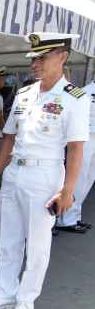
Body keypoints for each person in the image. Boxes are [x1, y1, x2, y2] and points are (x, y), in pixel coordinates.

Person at [0, 33, 90, 309]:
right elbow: (9, 138)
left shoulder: (75, 98)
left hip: (45, 173)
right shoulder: (25, 94)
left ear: (62, 57)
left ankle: (26, 299)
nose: (35, 64)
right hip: (14, 172)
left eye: (42, 57)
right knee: (9, 239)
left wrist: (68, 190)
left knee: (38, 243)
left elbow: (76, 148)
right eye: (33, 58)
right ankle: (4, 293)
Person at [56, 74, 95, 233]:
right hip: (85, 138)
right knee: (79, 177)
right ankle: (65, 218)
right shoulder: (84, 91)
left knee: (89, 178)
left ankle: (74, 215)